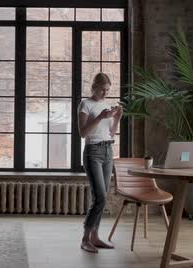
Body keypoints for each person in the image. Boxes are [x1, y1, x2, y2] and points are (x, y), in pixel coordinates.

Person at [77, 72, 123, 253]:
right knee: (100, 197)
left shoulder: (105, 106)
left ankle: (95, 237)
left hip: (108, 151)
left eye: (107, 90)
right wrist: (99, 117)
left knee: (101, 198)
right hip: (93, 153)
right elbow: (83, 132)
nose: (105, 94)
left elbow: (111, 133)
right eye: (102, 90)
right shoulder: (85, 104)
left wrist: (117, 118)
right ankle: (85, 239)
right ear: (93, 87)